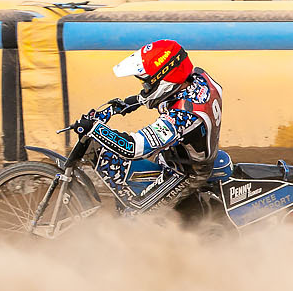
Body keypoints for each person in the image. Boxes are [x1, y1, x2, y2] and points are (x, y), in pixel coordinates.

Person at [92, 39, 225, 200]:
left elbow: (133, 148)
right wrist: (128, 103)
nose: (144, 88)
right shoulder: (198, 78)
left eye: (146, 84)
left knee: (134, 214)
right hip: (181, 154)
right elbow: (166, 94)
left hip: (185, 175)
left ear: (166, 79)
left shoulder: (183, 116)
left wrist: (96, 130)